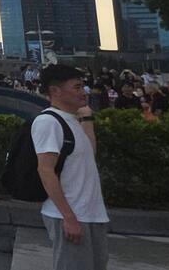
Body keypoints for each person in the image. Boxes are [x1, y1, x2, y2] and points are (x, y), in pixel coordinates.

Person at [33, 64, 108, 270]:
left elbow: (88, 154)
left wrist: (87, 118)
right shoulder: (48, 122)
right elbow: (45, 170)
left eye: (83, 86)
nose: (83, 92)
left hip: (90, 212)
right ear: (55, 91)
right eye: (77, 87)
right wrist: (69, 217)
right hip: (69, 214)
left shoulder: (72, 120)